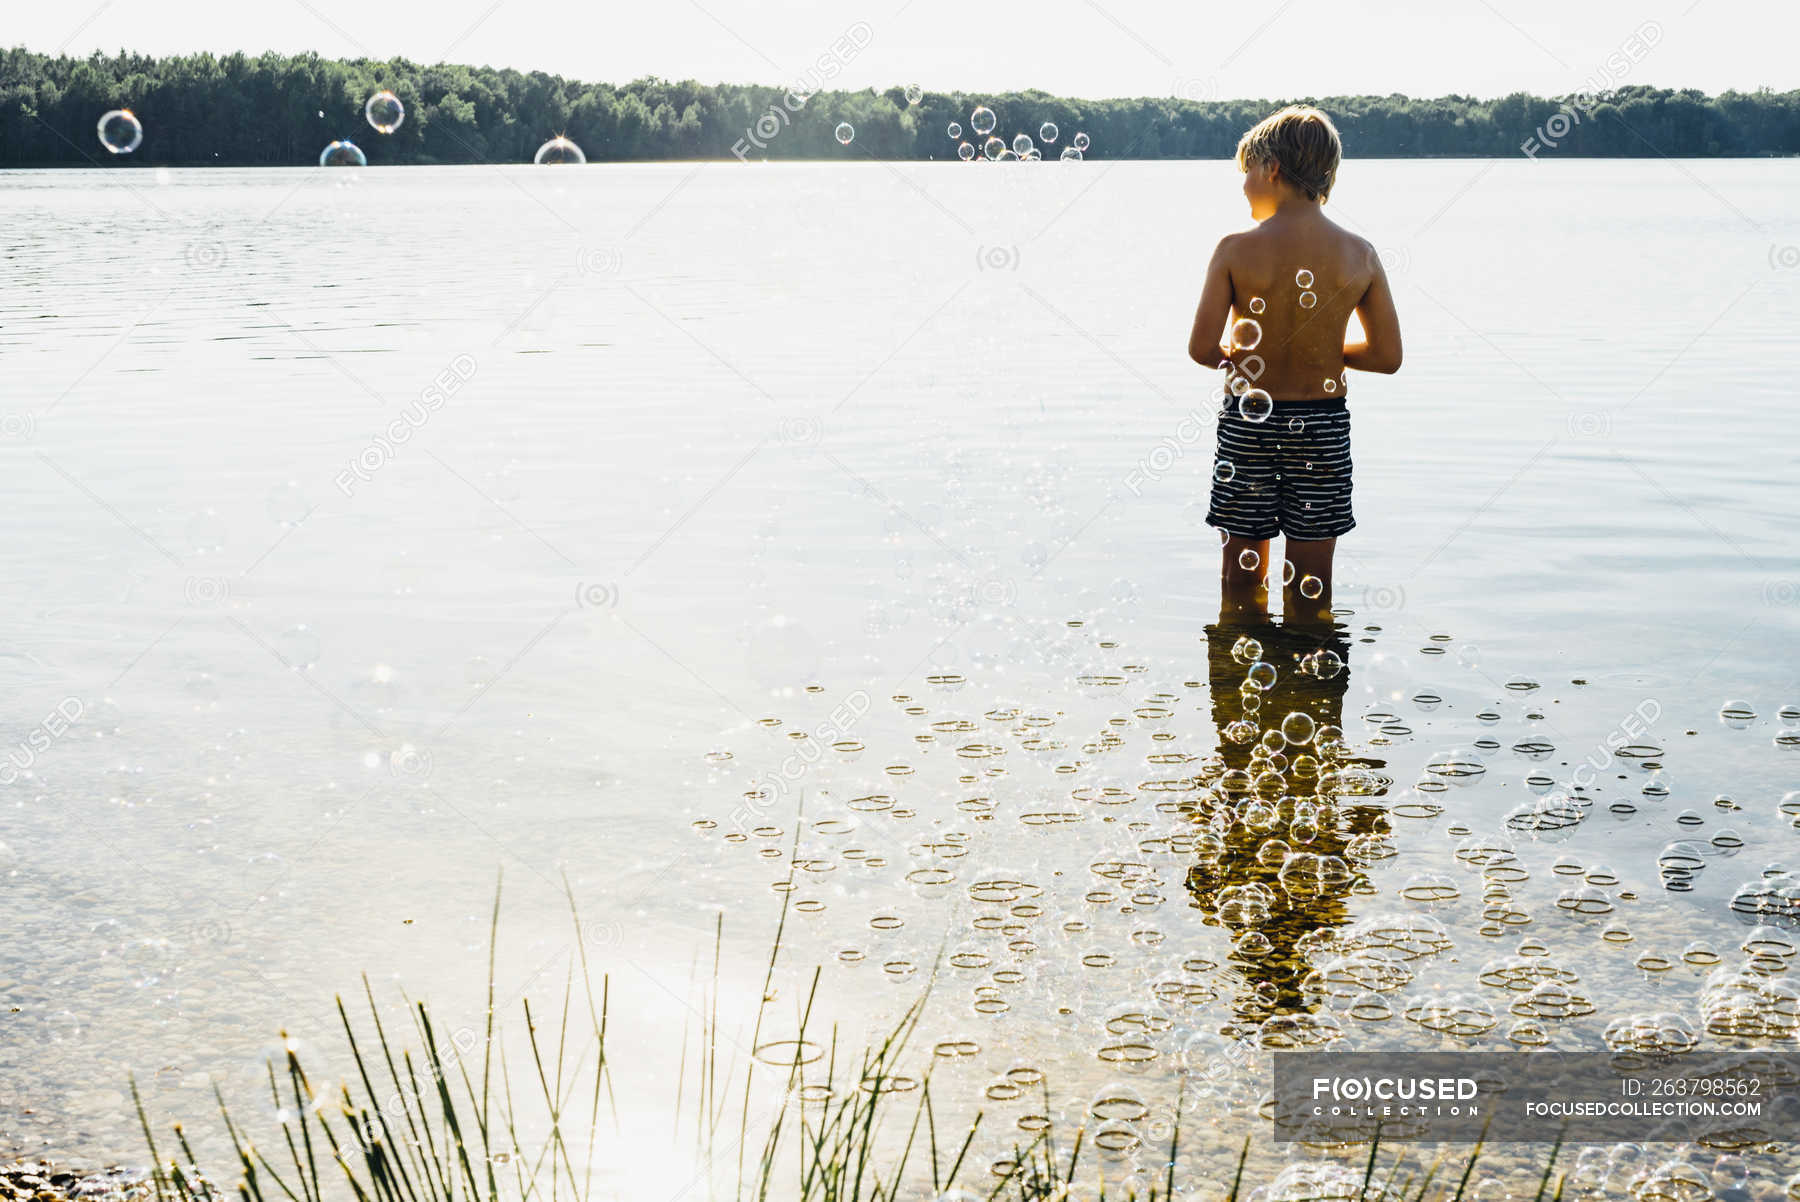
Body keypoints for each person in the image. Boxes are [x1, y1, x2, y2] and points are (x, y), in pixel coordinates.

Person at [1187, 105, 1403, 620]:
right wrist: (1325, 351)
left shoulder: (1234, 250)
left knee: (1241, 576)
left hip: (1248, 422)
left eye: (1246, 173)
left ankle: (1238, 682)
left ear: (1272, 170)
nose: (1243, 187)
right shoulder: (1360, 253)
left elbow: (1200, 348)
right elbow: (1387, 357)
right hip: (1323, 427)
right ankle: (1312, 681)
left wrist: (1246, 353)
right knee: (1312, 580)